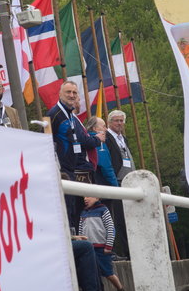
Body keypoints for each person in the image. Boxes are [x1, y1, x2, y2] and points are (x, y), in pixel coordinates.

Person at [47, 81, 104, 229]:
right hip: (61, 171)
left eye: (74, 93)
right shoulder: (54, 114)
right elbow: (45, 141)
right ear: (60, 94)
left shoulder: (70, 114)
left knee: (74, 209)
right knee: (67, 209)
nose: (71, 95)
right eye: (68, 92)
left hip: (72, 169)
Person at [79, 196, 129, 291]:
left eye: (88, 196)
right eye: (84, 196)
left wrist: (108, 246)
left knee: (108, 273)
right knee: (94, 273)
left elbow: (110, 228)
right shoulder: (83, 213)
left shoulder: (103, 210)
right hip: (88, 249)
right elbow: (80, 231)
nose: (85, 198)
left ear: (97, 197)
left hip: (102, 249)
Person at [105, 110, 135, 258]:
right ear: (109, 122)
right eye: (116, 120)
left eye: (121, 120)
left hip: (128, 181)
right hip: (116, 182)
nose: (119, 123)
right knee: (119, 219)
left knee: (130, 218)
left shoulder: (123, 138)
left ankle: (132, 250)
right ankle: (125, 252)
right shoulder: (107, 137)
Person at [86, 116, 118, 187]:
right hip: (103, 185)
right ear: (95, 129)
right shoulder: (99, 143)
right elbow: (106, 167)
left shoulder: (86, 140)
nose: (106, 129)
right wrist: (115, 186)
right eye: (104, 126)